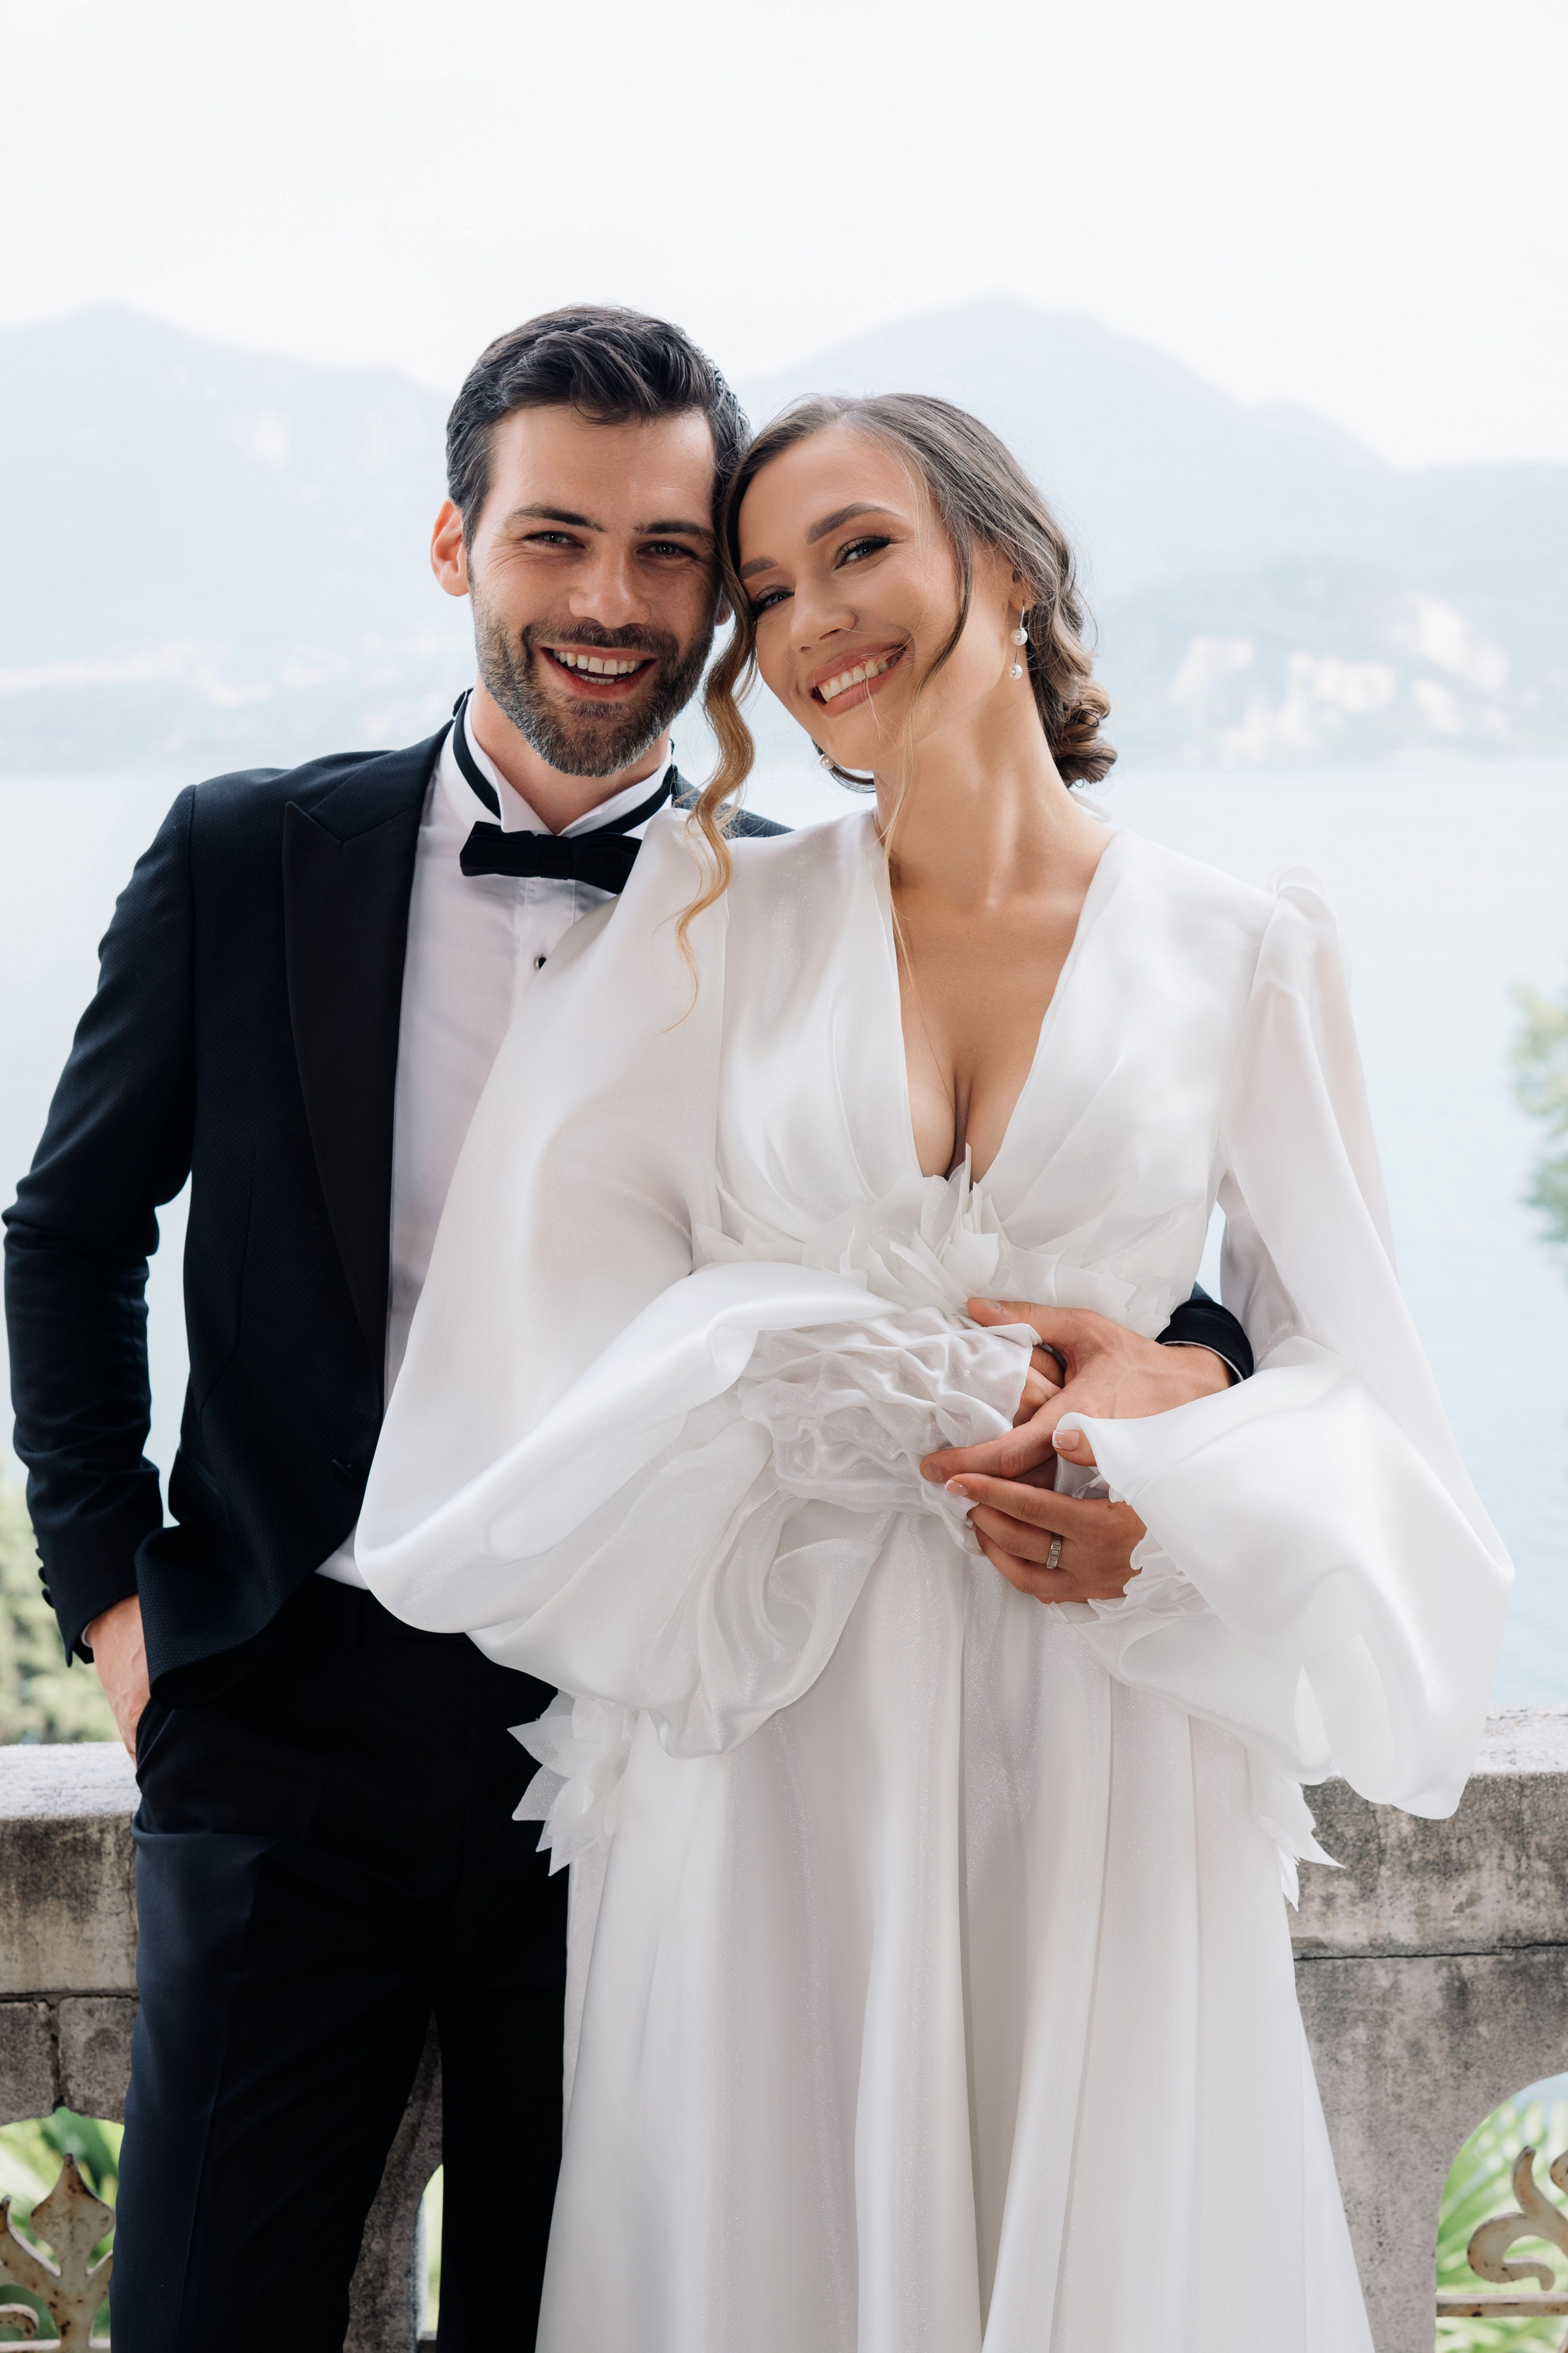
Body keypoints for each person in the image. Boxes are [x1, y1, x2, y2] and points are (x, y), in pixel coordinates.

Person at [4, 309, 1242, 2348]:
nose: (609, 600)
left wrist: (1181, 1389)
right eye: (554, 537)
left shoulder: (799, 913)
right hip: (282, 1719)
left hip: (647, 1752)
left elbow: (1073, 1253)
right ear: (453, 547)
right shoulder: (246, 856)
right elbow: (66, 1235)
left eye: (675, 555)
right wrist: (122, 1619)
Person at [356, 392, 1512, 2351]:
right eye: (766, 588)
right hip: (772, 1741)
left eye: (860, 548)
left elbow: (1362, 1390)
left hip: (1100, 1734)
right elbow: (535, 1317)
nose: (812, 620)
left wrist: (1175, 1415)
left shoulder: (1246, 949)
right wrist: (787, 1356)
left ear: (1001, 550)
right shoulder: (714, 922)